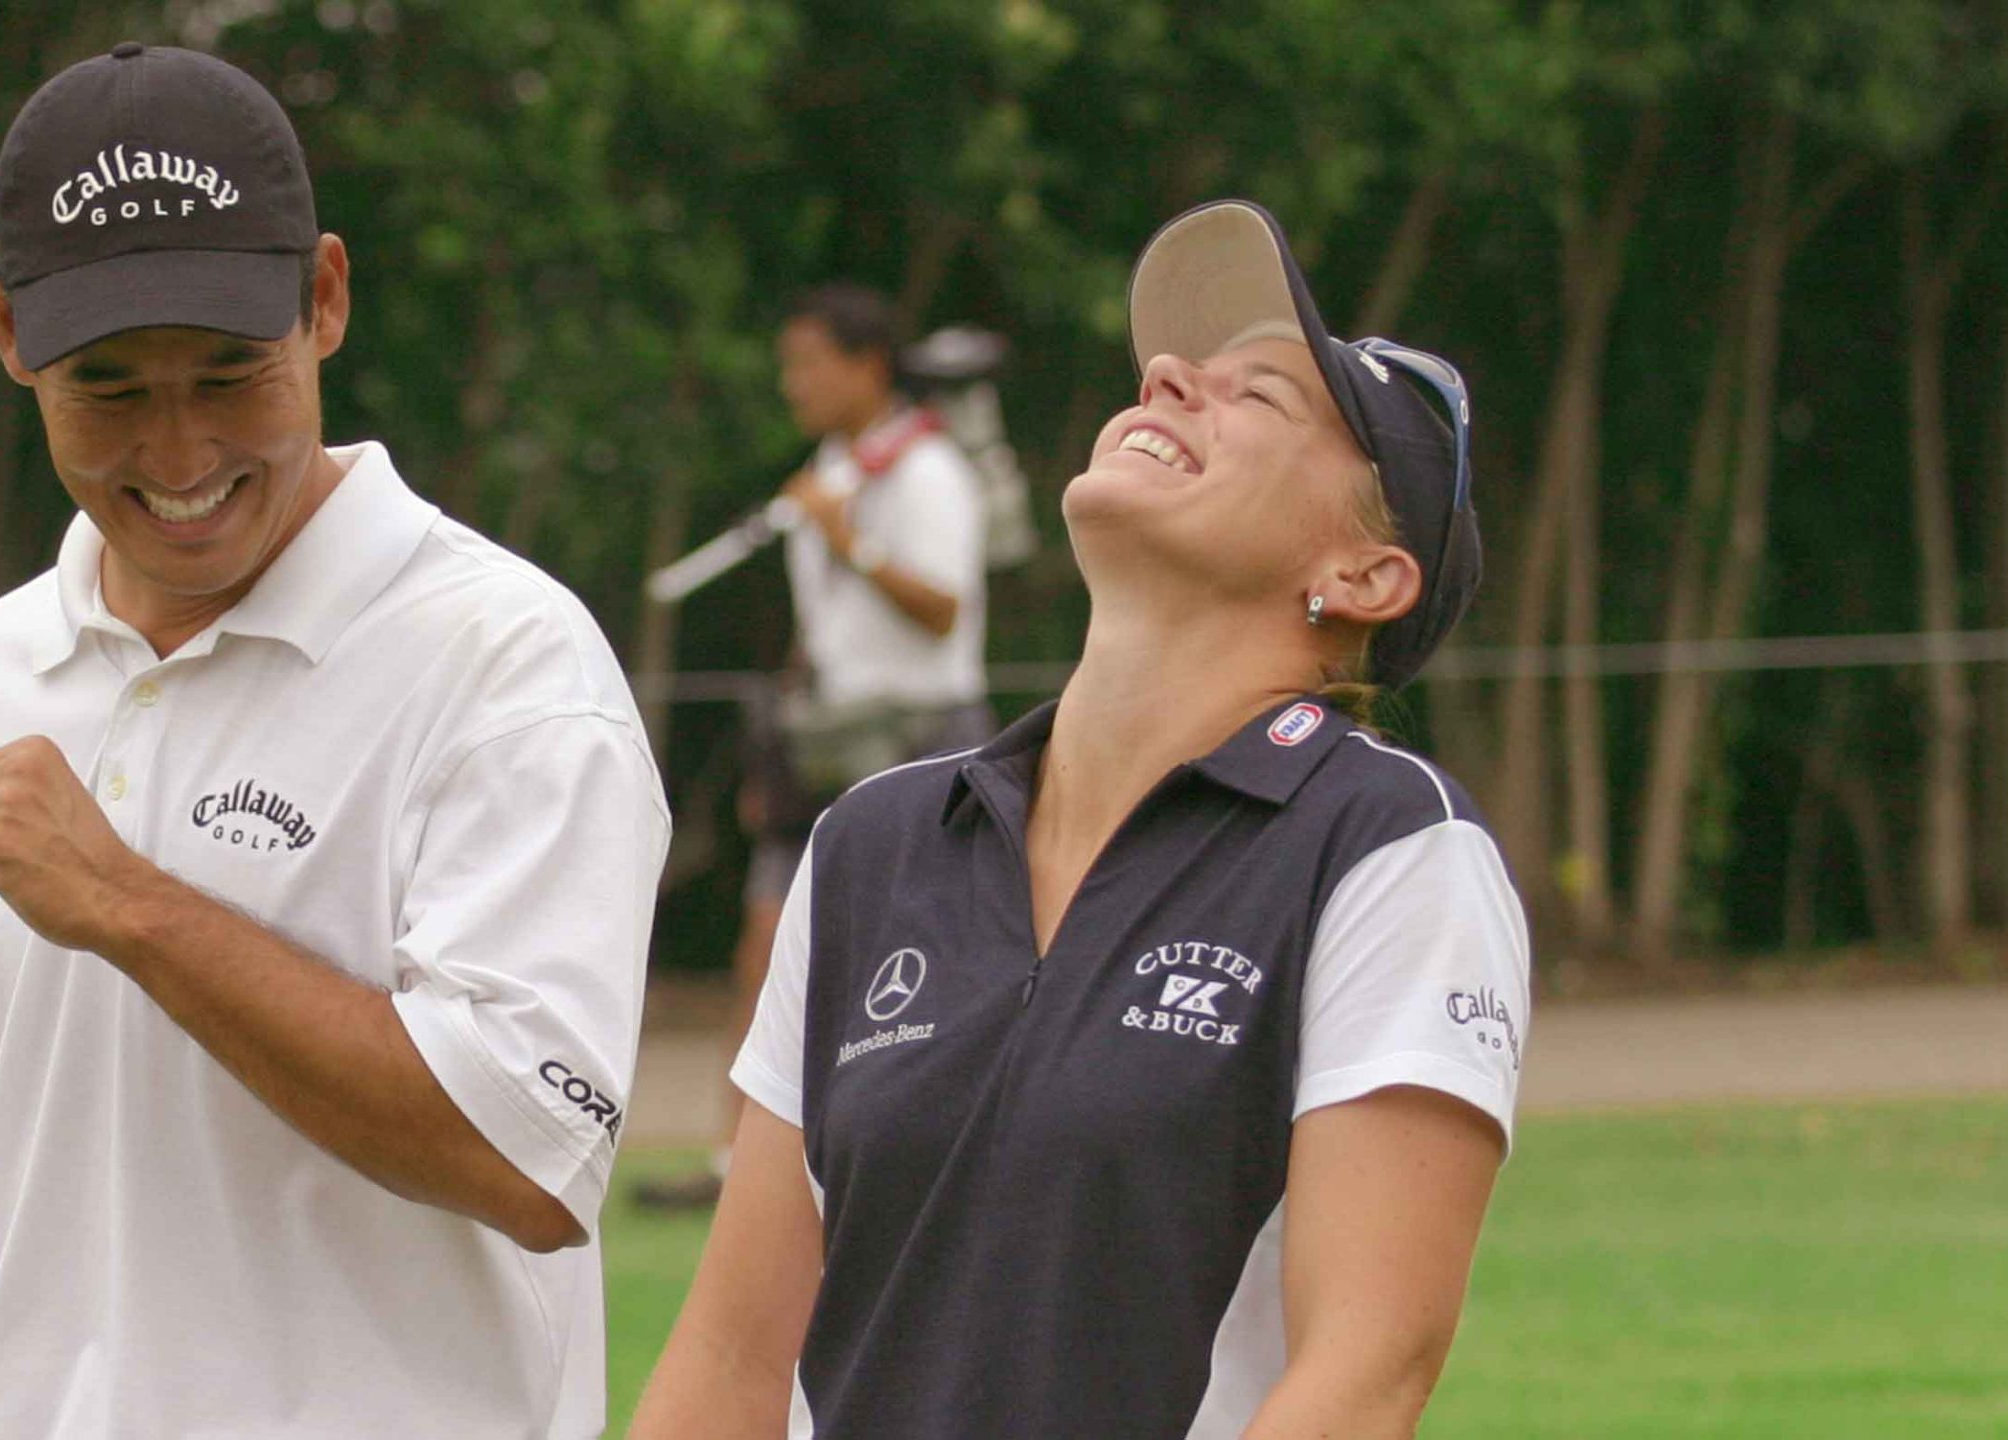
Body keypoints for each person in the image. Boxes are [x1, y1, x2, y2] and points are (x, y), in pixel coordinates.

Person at [0, 44, 668, 1440]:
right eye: (108, 387)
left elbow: (527, 1158)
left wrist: (125, 904)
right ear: (4, 331)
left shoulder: (507, 665)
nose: (177, 454)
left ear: (326, 299)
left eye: (231, 372)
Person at [628, 198, 1527, 1438]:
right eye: (1173, 370)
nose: (1165, 376)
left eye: (1257, 395)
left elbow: (1363, 1373)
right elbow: (731, 1362)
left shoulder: (1385, 847)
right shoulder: (870, 845)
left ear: (1361, 577)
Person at [636, 283, 994, 1210]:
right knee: (766, 941)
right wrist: (776, 752)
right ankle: (734, 1163)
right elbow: (823, 627)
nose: (792, 382)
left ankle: (940, 1151)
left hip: (920, 735)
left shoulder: (927, 472)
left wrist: (850, 543)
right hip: (825, 738)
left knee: (935, 952)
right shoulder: (832, 466)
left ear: (867, 365)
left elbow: (945, 608)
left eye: (808, 362)